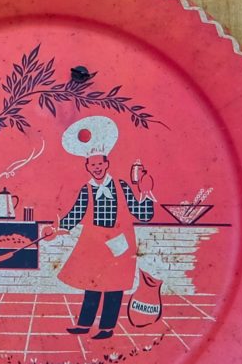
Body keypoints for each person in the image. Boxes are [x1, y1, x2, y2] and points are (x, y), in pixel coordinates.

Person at [39, 115, 156, 339]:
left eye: (100, 164)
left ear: (107, 163)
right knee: (91, 284)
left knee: (114, 287)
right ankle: (84, 324)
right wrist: (56, 230)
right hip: (93, 243)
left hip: (119, 243)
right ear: (87, 166)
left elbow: (141, 213)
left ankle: (107, 328)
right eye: (93, 165)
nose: (97, 168)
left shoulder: (121, 186)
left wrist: (146, 192)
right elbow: (74, 215)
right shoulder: (87, 190)